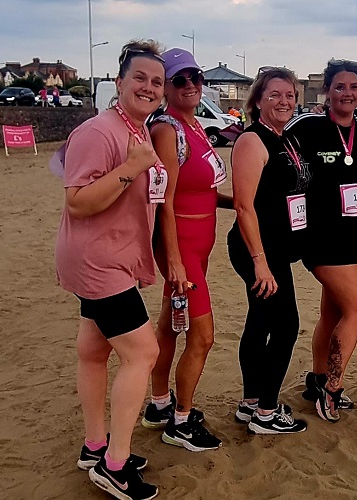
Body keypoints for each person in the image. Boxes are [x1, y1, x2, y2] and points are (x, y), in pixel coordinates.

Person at [55, 39, 166, 500]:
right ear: (118, 83)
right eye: (139, 78)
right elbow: (77, 201)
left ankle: (95, 445)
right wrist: (130, 168)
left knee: (93, 349)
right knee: (142, 353)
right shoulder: (100, 132)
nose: (148, 87)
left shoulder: (137, 129)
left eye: (156, 82)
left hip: (109, 255)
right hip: (99, 260)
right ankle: (114, 466)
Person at [142, 48, 231, 452]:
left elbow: (205, 190)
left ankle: (160, 403)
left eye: (195, 76)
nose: (191, 85)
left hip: (198, 245)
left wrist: (244, 203)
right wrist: (175, 261)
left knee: (169, 325)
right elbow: (165, 200)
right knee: (203, 336)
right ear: (166, 87)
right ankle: (181, 421)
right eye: (180, 79)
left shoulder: (193, 125)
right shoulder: (167, 129)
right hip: (182, 249)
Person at [286, 59, 357, 422]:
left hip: (356, 238)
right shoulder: (308, 126)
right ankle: (333, 388)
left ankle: (317, 378)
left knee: (334, 312)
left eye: (353, 87)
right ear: (327, 91)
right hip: (321, 239)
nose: (347, 93)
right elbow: (275, 158)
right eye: (339, 87)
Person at [228, 67, 311, 434]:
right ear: (258, 100)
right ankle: (266, 411)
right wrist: (260, 264)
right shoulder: (252, 140)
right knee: (286, 324)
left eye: (290, 95)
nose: (284, 101)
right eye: (274, 94)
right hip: (258, 250)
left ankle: (250, 403)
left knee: (260, 321)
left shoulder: (285, 138)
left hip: (276, 248)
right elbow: (244, 206)